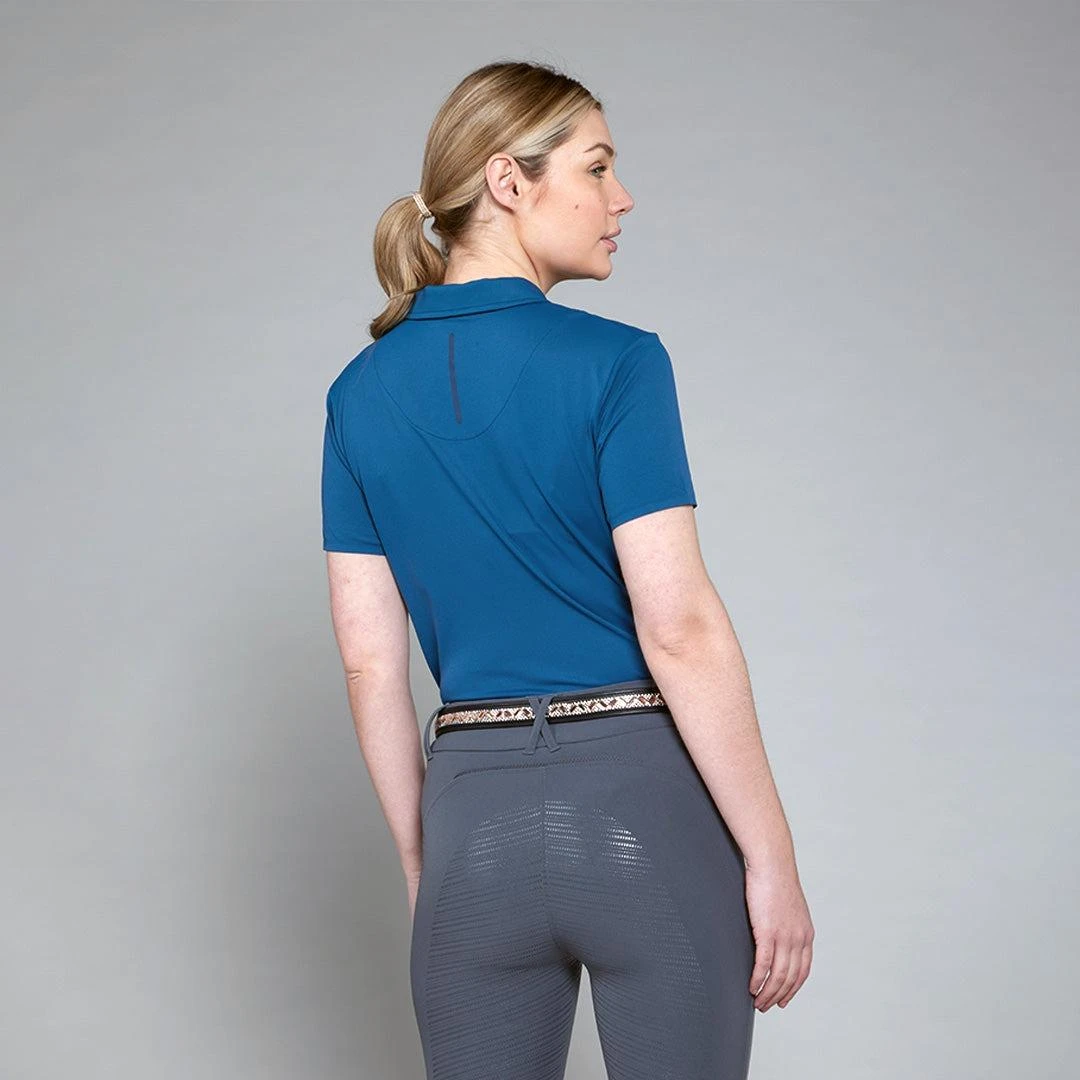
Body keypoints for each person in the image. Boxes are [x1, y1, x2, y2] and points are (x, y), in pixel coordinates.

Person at [321, 59, 813, 1080]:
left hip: (471, 820)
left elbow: (370, 665)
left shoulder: (357, 396)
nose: (621, 198)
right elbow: (679, 628)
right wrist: (772, 857)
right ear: (508, 180)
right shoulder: (619, 364)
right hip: (643, 808)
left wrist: (425, 864)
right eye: (597, 167)